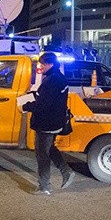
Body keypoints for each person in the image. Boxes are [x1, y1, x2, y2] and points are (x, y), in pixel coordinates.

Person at [22, 52, 76, 195]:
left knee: (42, 154)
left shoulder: (52, 80)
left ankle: (44, 186)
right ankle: (66, 172)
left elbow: (43, 105)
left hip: (46, 123)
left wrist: (25, 106)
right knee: (49, 148)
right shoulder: (60, 78)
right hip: (55, 121)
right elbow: (50, 99)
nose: (41, 67)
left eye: (43, 64)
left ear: (51, 64)